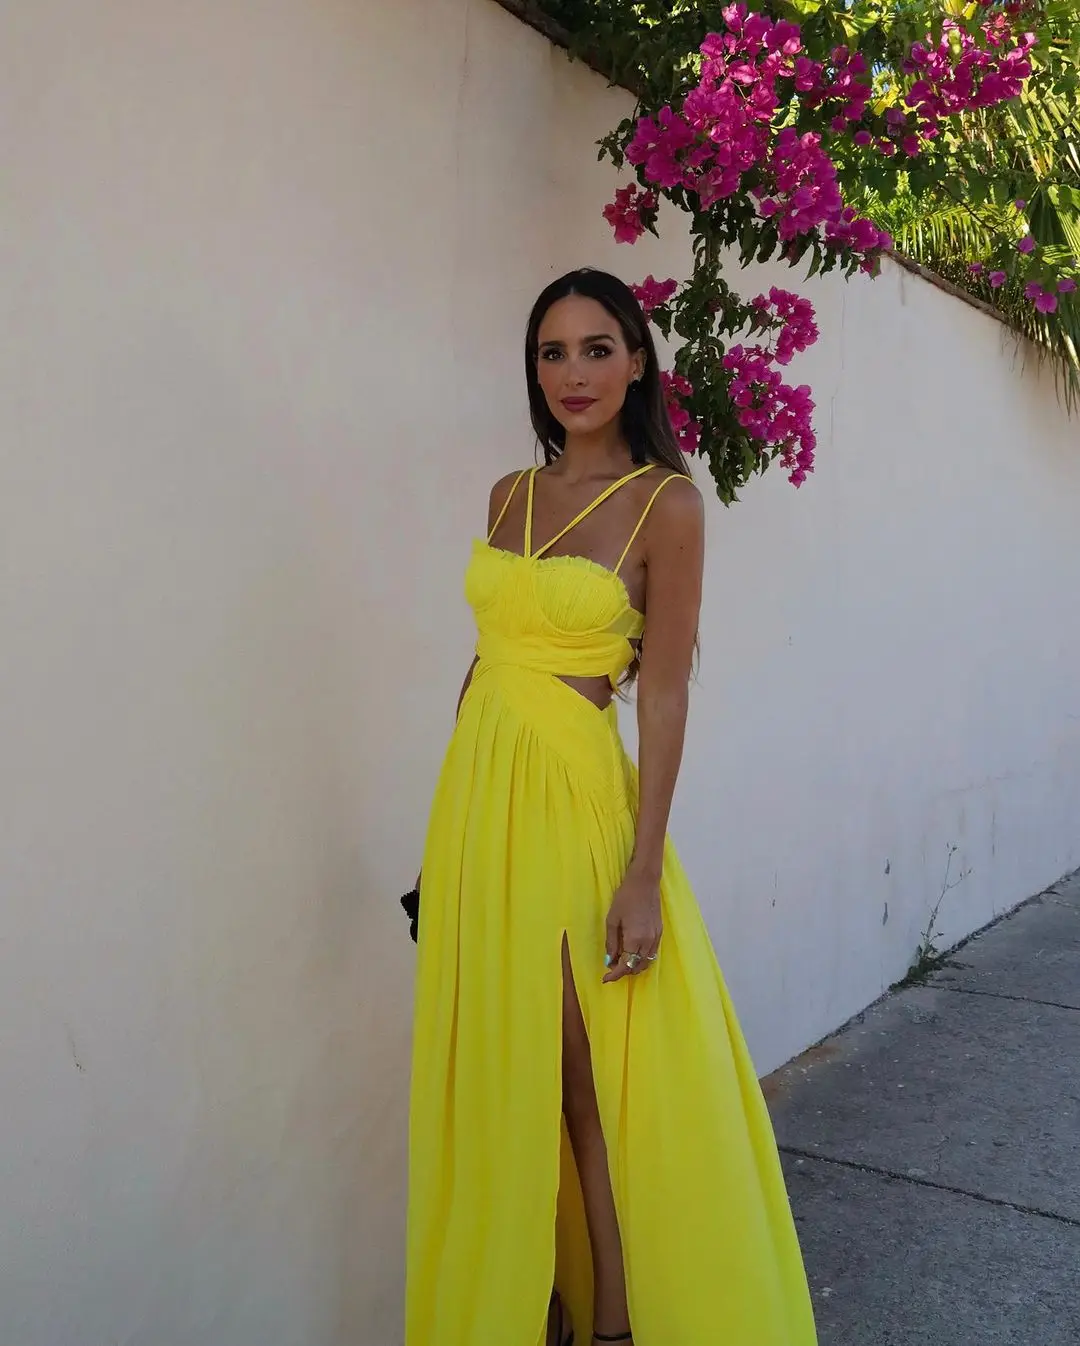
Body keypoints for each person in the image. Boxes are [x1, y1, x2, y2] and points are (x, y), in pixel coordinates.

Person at [404, 268, 816, 1346]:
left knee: (582, 1075)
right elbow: (485, 663)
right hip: (478, 803)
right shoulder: (507, 494)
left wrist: (644, 871)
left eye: (597, 348)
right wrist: (446, 842)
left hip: (575, 798)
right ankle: (525, 1304)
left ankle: (617, 1325)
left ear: (637, 361)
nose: (573, 373)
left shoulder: (665, 504)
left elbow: (665, 691)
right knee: (503, 1071)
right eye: (552, 352)